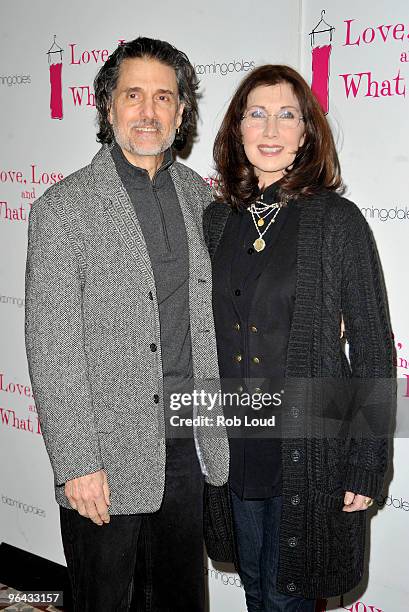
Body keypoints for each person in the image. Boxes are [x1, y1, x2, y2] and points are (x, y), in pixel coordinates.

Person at [25, 36, 229, 612]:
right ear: (107, 107)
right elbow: (52, 346)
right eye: (132, 95)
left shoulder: (202, 199)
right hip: (104, 456)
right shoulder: (63, 208)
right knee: (104, 600)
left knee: (181, 600)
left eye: (163, 97)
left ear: (181, 111)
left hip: (188, 444)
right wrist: (77, 463)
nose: (148, 111)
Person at [203, 64, 395, 611]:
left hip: (309, 457)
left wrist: (366, 461)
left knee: (287, 600)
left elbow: (374, 350)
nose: (270, 129)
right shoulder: (217, 221)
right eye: (256, 114)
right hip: (236, 452)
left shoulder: (338, 221)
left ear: (307, 132)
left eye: (287, 115)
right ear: (237, 130)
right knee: (257, 593)